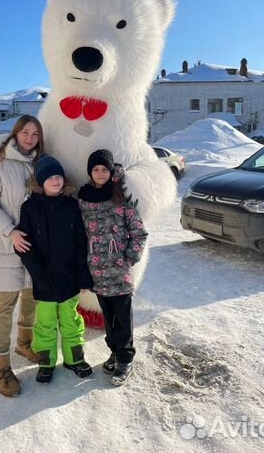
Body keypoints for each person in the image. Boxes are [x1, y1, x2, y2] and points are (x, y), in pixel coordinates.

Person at [0, 115, 44, 397]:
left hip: (35, 247)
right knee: (4, 304)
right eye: (25, 132)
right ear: (15, 133)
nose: (29, 138)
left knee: (31, 296)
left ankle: (24, 343)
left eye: (35, 134)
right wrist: (10, 231)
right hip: (6, 245)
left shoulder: (41, 164)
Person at [15, 154, 94, 383]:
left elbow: (81, 243)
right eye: (50, 177)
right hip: (44, 280)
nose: (56, 181)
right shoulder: (29, 208)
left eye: (59, 176)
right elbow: (25, 247)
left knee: (72, 321)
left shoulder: (71, 206)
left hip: (69, 279)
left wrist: (82, 277)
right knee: (46, 324)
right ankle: (46, 363)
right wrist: (38, 273)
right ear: (41, 181)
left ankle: (74, 360)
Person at [78, 149, 148, 386]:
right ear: (90, 172)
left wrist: (129, 258)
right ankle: (115, 352)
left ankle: (126, 357)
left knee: (122, 316)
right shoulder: (84, 199)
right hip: (96, 270)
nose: (100, 173)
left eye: (104, 169)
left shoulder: (121, 197)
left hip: (119, 270)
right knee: (108, 317)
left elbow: (139, 233)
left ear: (110, 171)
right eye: (95, 169)